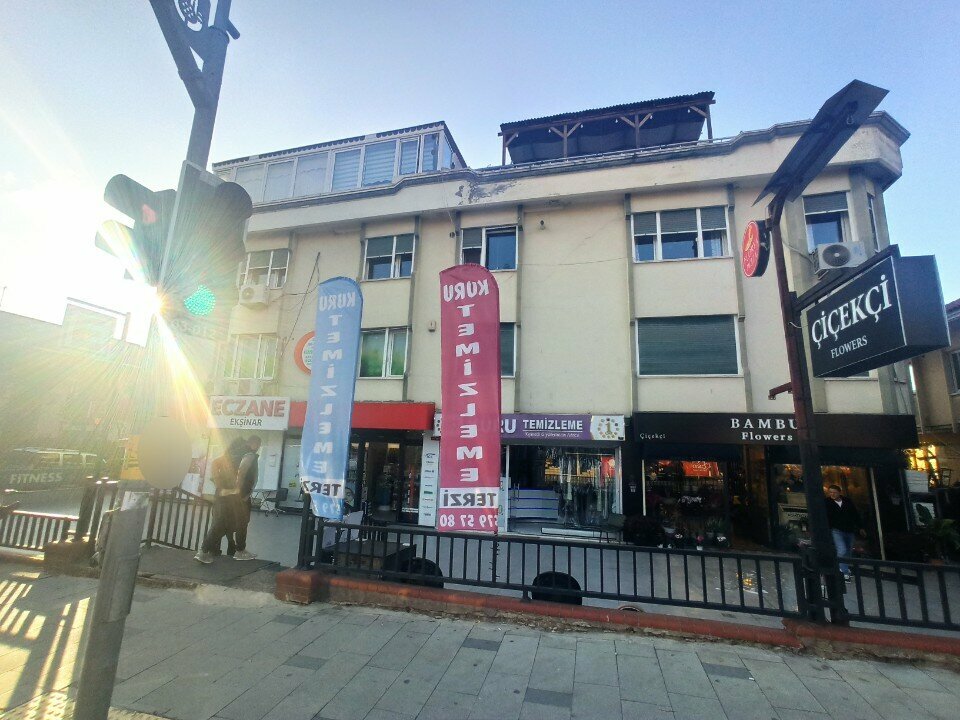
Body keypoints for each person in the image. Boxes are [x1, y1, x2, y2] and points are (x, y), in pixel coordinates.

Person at [194, 439, 246, 564]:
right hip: (227, 499)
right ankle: (204, 551)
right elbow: (223, 486)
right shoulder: (232, 463)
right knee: (221, 525)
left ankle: (214, 551)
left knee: (222, 525)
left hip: (223, 498)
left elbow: (216, 481)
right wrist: (234, 490)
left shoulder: (220, 462)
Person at [824, 484, 865, 580]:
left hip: (849, 529)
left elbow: (855, 514)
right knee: (841, 549)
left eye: (834, 492)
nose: (832, 494)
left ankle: (844, 567)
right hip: (836, 529)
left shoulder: (847, 501)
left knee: (848, 550)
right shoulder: (827, 502)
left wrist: (860, 527)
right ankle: (843, 571)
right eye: (830, 492)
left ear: (839, 492)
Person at [230, 435, 261, 561]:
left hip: (236, 494)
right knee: (242, 522)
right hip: (242, 495)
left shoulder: (238, 454)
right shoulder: (249, 455)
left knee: (229, 521)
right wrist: (241, 492)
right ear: (253, 443)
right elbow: (242, 473)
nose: (259, 447)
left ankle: (212, 548)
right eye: (258, 444)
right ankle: (240, 550)